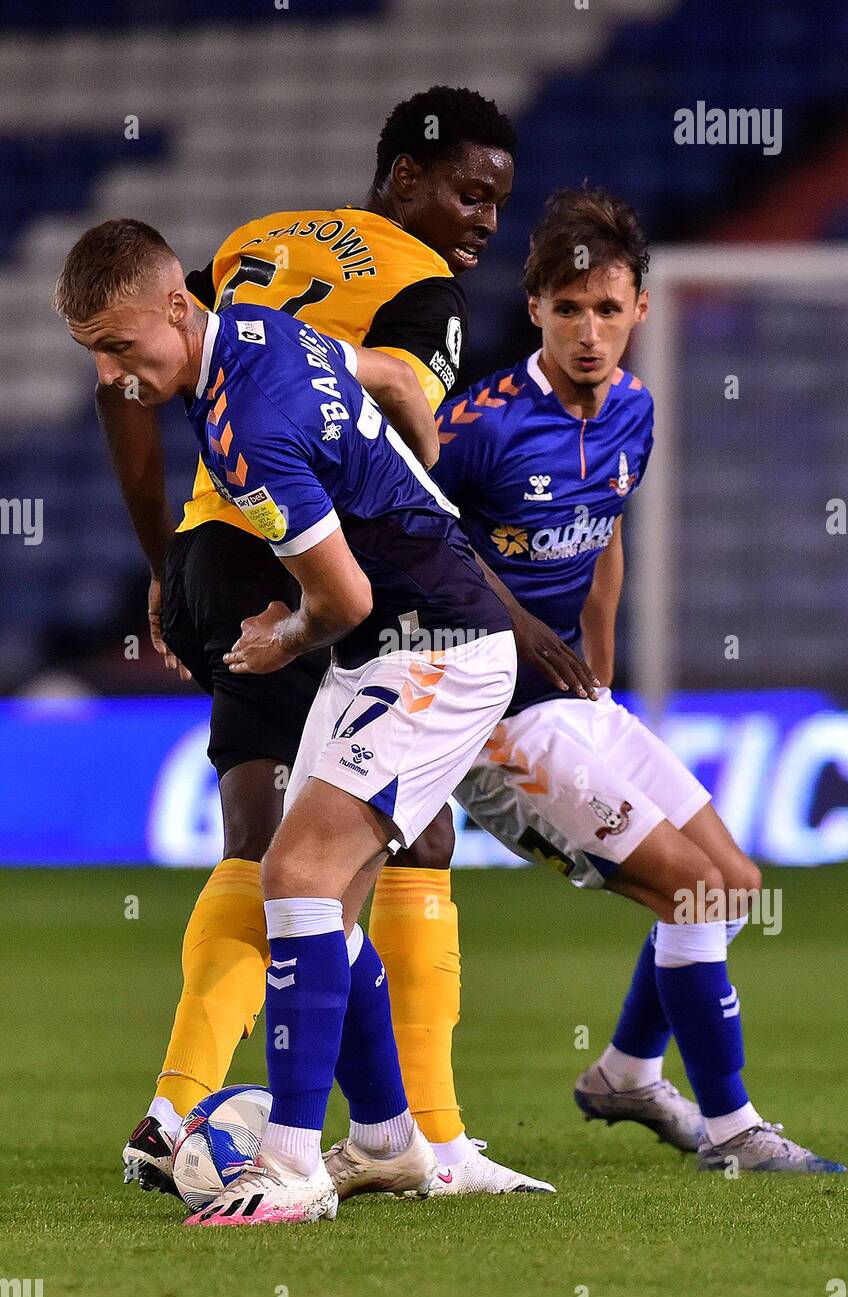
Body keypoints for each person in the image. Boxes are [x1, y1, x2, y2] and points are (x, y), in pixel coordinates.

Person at [96, 88, 586, 1197]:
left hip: (220, 548)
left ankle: (180, 1107)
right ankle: (421, 1138)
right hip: (339, 561)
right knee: (393, 850)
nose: (481, 225)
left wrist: (162, 559)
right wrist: (466, 566)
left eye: (496, 204)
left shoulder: (247, 246)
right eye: (469, 193)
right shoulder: (421, 286)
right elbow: (405, 405)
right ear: (401, 178)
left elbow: (128, 385)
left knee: (266, 838)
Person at [429, 187, 845, 1176]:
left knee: (732, 887)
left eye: (607, 309)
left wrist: (602, 672)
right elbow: (421, 542)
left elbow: (604, 535)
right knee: (695, 894)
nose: (588, 331)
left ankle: (620, 1070)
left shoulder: (633, 411)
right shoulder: (477, 424)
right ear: (532, 306)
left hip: (570, 698)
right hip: (487, 712)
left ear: (640, 311)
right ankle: (736, 1132)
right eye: (567, 308)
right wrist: (525, 628)